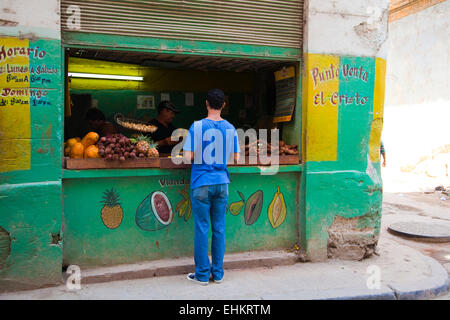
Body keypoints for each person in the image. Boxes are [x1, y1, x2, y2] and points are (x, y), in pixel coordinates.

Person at [183, 88, 240, 285]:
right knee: (219, 229)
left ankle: (202, 275)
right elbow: (236, 158)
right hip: (222, 183)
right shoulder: (231, 128)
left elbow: (188, 156)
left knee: (202, 228)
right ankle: (218, 273)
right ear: (223, 104)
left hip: (201, 183)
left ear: (206, 103)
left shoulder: (197, 126)